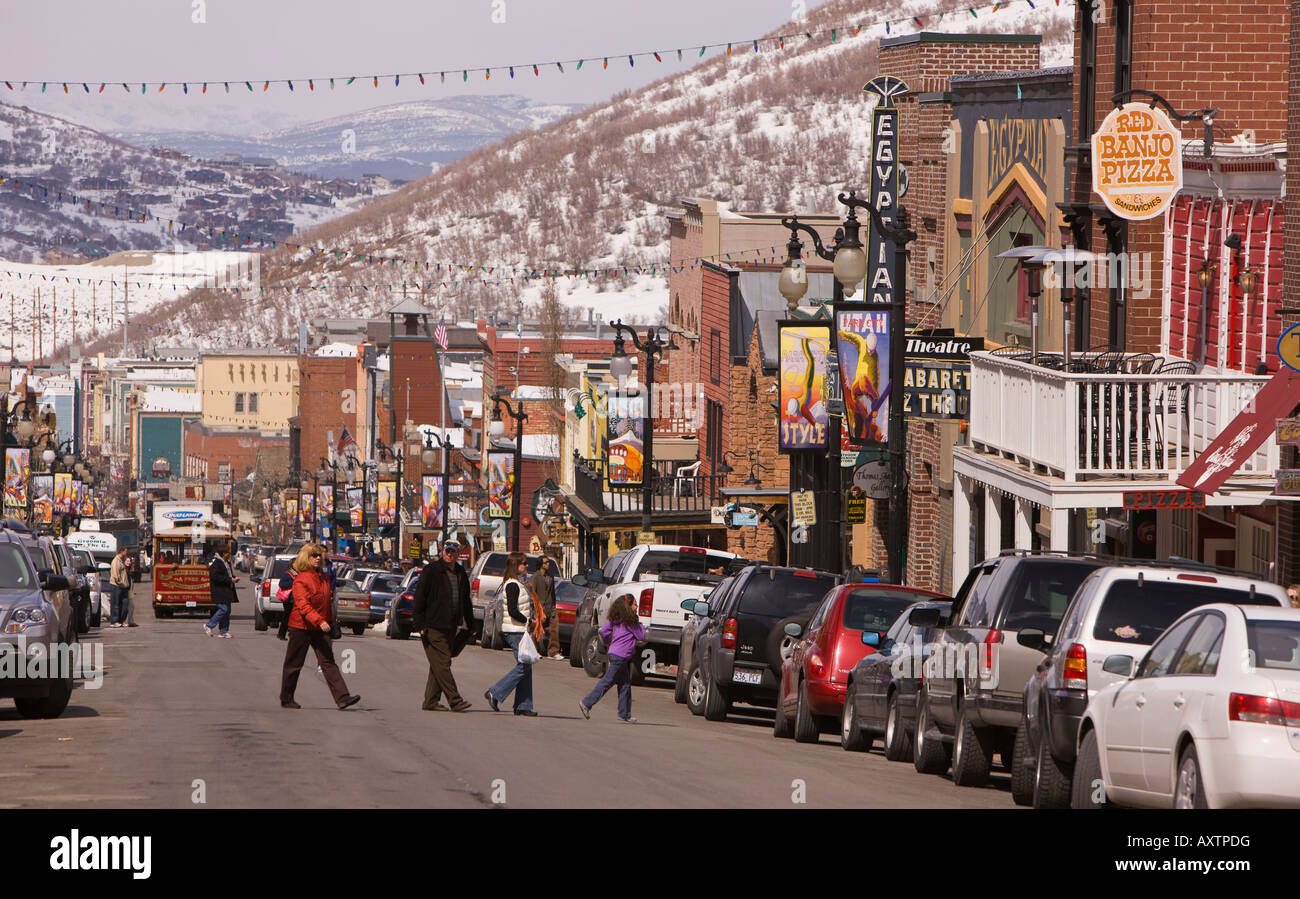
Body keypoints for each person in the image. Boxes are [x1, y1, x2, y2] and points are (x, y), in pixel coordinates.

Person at [280, 543, 360, 710]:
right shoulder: (301, 579)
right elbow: (303, 605)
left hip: (319, 627)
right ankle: (287, 698)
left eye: (319, 555)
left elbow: (325, 603)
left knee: (328, 662)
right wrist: (320, 621)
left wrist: (331, 622)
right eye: (313, 555)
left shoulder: (323, 577)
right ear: (306, 558)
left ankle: (343, 697)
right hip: (301, 627)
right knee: (294, 664)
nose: (317, 558)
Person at [411, 540, 473, 712]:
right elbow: (420, 597)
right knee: (443, 661)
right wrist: (419, 623)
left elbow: (465, 600)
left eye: (453, 552)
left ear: (458, 554)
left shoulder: (460, 572)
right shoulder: (432, 570)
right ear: (442, 551)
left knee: (438, 664)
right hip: (433, 624)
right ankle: (455, 699)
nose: (449, 554)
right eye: (447, 551)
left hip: (451, 624)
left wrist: (471, 623)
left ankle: (430, 701)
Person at [484, 551, 544, 716]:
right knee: (523, 666)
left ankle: (523, 706)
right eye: (523, 563)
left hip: (519, 630)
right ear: (515, 565)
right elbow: (512, 610)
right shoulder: (512, 584)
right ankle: (494, 692)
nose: (526, 566)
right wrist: (528, 621)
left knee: (526, 666)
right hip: (514, 630)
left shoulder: (519, 583)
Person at [579, 596, 646, 723]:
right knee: (607, 681)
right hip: (620, 657)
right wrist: (640, 624)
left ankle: (624, 713)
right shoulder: (631, 623)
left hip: (615, 654)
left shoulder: (615, 620)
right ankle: (586, 703)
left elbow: (603, 631)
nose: (637, 607)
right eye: (635, 605)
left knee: (625, 684)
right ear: (628, 607)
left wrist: (608, 641)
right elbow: (642, 635)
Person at [204, 546, 238, 638]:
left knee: (227, 611)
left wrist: (234, 578)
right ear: (223, 554)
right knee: (223, 609)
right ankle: (209, 625)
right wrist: (229, 579)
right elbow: (215, 577)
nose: (229, 555)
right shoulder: (217, 563)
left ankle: (223, 631)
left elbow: (228, 574)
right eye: (228, 553)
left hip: (227, 590)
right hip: (219, 590)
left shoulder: (227, 563)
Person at [531, 557, 561, 660]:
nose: (548, 564)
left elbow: (552, 593)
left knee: (554, 629)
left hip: (550, 607)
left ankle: (553, 652)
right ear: (541, 564)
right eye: (546, 562)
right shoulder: (536, 576)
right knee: (537, 630)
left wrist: (553, 607)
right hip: (539, 608)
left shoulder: (550, 576)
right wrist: (534, 609)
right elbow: (533, 593)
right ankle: (535, 651)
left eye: (548, 562)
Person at [108, 547, 130, 628]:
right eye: (125, 551)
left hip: (123, 586)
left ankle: (121, 620)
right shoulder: (115, 561)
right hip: (116, 586)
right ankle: (114, 621)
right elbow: (115, 575)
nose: (126, 553)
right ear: (122, 551)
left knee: (124, 603)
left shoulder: (121, 561)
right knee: (116, 604)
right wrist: (121, 583)